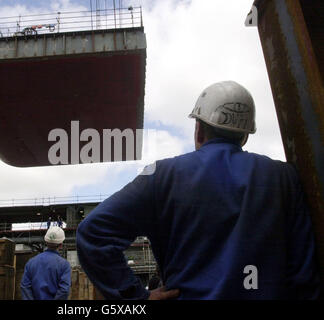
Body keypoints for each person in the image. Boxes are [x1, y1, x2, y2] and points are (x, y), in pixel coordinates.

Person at [76, 81, 321, 300]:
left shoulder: (162, 175)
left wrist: (136, 297)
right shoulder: (284, 178)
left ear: (199, 130)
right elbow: (304, 271)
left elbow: (93, 233)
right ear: (245, 135)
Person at [21, 226, 71, 300]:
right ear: (60, 245)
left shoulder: (31, 262)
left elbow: (25, 287)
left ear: (46, 242)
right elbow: (64, 290)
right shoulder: (64, 265)